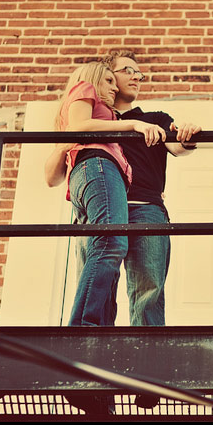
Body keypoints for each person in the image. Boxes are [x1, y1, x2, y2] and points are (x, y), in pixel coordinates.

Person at [46, 50, 201, 327]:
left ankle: (147, 350)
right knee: (99, 285)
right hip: (99, 207)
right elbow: (52, 176)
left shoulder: (153, 118)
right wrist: (66, 142)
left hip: (145, 208)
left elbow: (178, 146)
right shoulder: (88, 115)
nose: (136, 77)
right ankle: (90, 345)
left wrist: (187, 137)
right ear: (106, 76)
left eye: (139, 73)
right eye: (127, 70)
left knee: (149, 289)